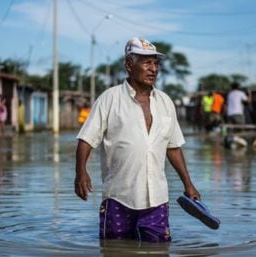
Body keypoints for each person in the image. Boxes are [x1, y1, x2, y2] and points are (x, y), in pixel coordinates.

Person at [74, 37, 201, 242]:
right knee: (114, 256)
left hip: (157, 199)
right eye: (146, 62)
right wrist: (81, 172)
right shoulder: (109, 99)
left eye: (156, 63)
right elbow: (86, 139)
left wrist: (189, 184)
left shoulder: (165, 102)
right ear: (129, 64)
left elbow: (174, 147)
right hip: (118, 197)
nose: (153, 69)